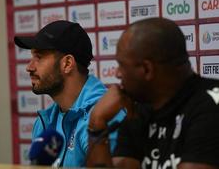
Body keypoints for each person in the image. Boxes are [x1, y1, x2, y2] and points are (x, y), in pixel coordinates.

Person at [87, 18, 219, 169]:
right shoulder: (138, 112)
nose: (117, 73)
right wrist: (96, 122)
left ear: (147, 69)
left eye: (121, 65)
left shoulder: (211, 107)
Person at [14, 20, 125, 167]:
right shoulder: (45, 122)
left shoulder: (105, 115)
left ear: (67, 64)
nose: (29, 67)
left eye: (39, 57)